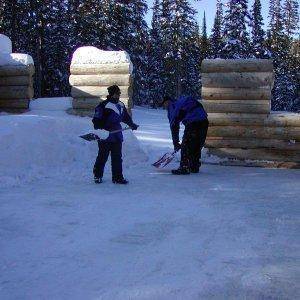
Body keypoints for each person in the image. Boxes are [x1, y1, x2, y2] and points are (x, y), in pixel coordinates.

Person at [92, 85, 139, 184]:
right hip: (105, 135)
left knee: (117, 158)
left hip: (117, 135)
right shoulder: (103, 105)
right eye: (117, 93)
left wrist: (132, 124)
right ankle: (97, 175)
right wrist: (100, 128)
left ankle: (117, 178)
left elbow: (126, 117)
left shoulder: (121, 105)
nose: (118, 95)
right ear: (112, 94)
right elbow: (96, 120)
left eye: (119, 93)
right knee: (102, 156)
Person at [162, 95, 209, 175]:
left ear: (167, 102)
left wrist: (176, 143)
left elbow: (174, 126)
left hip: (193, 122)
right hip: (204, 121)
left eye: (163, 104)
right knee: (196, 144)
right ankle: (194, 166)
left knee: (186, 145)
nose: (164, 107)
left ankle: (184, 167)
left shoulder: (172, 107)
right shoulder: (181, 102)